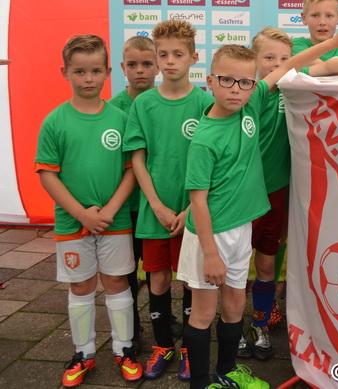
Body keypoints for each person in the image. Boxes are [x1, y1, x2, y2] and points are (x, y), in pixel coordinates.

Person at [179, 18, 338, 389]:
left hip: (240, 229)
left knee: (233, 306)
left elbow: (290, 64)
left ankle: (227, 373)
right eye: (227, 80)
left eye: (244, 82)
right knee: (204, 313)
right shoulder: (204, 138)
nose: (236, 89)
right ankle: (200, 383)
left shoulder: (253, 103)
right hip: (210, 236)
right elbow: (197, 200)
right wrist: (209, 253)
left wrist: (334, 42)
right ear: (210, 81)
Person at [36, 35, 142, 386]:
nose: (88, 78)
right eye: (79, 71)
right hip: (72, 222)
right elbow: (48, 174)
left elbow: (131, 170)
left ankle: (124, 349)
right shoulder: (55, 121)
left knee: (116, 282)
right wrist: (82, 214)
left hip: (115, 221)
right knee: (81, 285)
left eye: (96, 71)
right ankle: (83, 353)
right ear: (65, 72)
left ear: (108, 72)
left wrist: (110, 209)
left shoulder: (120, 118)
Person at [124, 19, 212, 380]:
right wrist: (157, 205)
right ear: (157, 58)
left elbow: (215, 162)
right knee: (158, 280)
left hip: (193, 212)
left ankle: (191, 349)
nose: (170, 61)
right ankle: (163, 346)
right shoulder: (144, 104)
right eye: (164, 55)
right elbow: (137, 159)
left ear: (194, 57)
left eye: (178, 54)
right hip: (154, 212)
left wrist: (190, 208)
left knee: (193, 281)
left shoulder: (206, 102)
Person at [109, 35, 159, 352]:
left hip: (155, 206)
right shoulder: (113, 110)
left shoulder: (165, 103)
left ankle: (162, 319)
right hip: (127, 207)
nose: (140, 70)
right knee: (127, 272)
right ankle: (131, 328)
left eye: (146, 64)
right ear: (122, 67)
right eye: (133, 64)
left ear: (157, 66)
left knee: (157, 271)